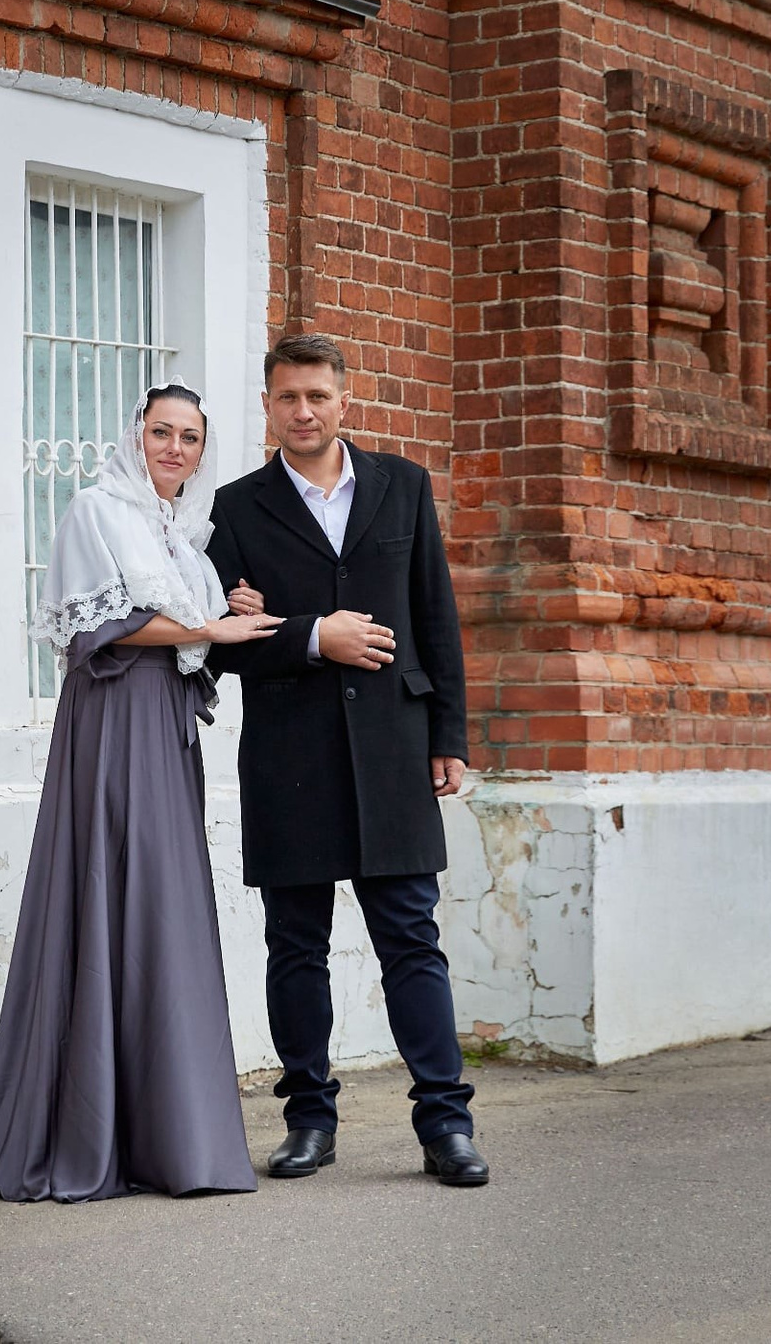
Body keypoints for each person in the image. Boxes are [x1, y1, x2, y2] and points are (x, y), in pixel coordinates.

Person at [0, 384, 280, 1203]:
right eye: (162, 432)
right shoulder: (99, 510)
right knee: (118, 889)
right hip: (115, 714)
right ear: (136, 437)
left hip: (163, 720)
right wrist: (208, 627)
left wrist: (228, 608)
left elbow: (187, 620)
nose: (175, 449)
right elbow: (107, 628)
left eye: (190, 438)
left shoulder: (185, 536)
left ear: (203, 452)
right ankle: (97, 1132)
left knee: (162, 903)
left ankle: (165, 1137)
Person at [205, 333, 490, 1187]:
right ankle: (308, 1121)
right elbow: (215, 647)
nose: (304, 411)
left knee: (413, 940)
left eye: (317, 395)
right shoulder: (234, 507)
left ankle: (447, 1126)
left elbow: (433, 613)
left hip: (396, 748)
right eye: (287, 397)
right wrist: (307, 635)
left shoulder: (404, 486)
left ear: (343, 399)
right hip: (290, 752)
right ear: (267, 406)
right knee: (296, 945)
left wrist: (450, 735)